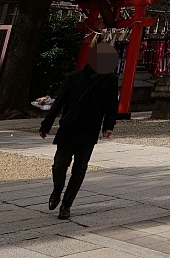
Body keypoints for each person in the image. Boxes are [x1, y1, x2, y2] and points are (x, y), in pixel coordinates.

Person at [40, 42, 120, 220]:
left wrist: (108, 125)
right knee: (59, 165)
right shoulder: (74, 78)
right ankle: (57, 191)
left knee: (80, 168)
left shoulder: (110, 80)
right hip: (68, 127)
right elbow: (58, 102)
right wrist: (46, 124)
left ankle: (66, 204)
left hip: (89, 129)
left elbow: (111, 105)